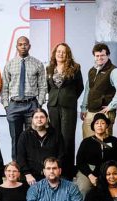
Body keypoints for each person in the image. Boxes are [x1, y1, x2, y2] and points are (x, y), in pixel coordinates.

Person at [1, 36, 47, 159]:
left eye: (25, 44)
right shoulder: (9, 64)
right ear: (16, 47)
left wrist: (39, 105)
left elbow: (43, 86)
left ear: (29, 46)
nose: (23, 46)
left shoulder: (37, 64)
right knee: (15, 138)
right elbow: (4, 87)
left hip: (31, 105)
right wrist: (6, 106)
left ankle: (32, 165)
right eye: (20, 44)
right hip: (14, 105)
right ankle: (16, 165)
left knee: (32, 137)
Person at [46, 42, 83, 177]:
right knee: (55, 137)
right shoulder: (49, 68)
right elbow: (48, 87)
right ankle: (56, 170)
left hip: (68, 107)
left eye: (63, 52)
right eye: (58, 51)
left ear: (67, 54)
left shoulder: (75, 68)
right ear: (54, 53)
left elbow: (80, 87)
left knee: (67, 138)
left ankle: (67, 171)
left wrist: (70, 97)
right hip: (53, 105)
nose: (60, 54)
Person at [80, 43, 117, 138]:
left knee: (103, 143)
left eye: (102, 55)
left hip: (105, 113)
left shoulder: (114, 71)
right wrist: (84, 108)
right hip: (90, 112)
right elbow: (88, 90)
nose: (99, 58)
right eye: (97, 56)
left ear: (108, 55)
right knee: (88, 142)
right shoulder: (92, 71)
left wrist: (111, 106)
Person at [75, 113, 117, 195]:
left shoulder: (114, 141)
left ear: (107, 126)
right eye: (97, 123)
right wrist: (90, 175)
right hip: (89, 170)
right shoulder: (86, 142)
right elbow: (80, 161)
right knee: (84, 188)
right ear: (93, 126)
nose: (99, 125)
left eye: (102, 123)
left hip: (109, 170)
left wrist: (115, 173)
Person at [16, 108, 64, 185]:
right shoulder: (25, 135)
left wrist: (53, 172)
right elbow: (20, 157)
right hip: (30, 177)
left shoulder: (56, 134)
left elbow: (61, 155)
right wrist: (27, 174)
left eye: (42, 117)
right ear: (32, 120)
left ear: (47, 119)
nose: (39, 119)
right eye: (36, 117)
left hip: (51, 174)